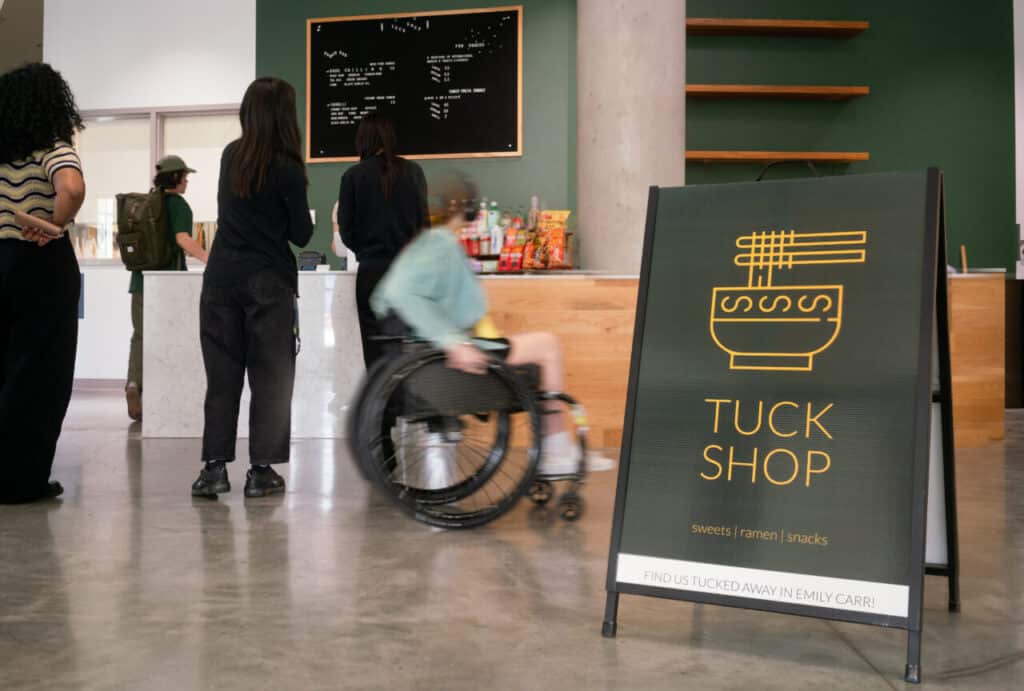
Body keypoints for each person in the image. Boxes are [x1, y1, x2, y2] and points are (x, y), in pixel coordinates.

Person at [371, 174, 613, 476]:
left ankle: (558, 447)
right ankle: (556, 449)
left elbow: (386, 298)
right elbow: (402, 295)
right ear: (470, 212)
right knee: (547, 345)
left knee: (538, 347)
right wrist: (452, 342)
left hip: (422, 350)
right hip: (442, 355)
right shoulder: (442, 245)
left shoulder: (424, 243)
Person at [190, 77, 314, 498]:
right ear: (285, 116)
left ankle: (213, 469)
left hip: (221, 277)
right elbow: (302, 234)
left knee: (222, 376)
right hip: (268, 281)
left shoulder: (231, 155)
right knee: (271, 377)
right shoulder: (289, 167)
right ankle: (261, 471)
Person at [0, 63, 86, 503]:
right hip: (39, 264)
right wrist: (53, 224)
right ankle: (21, 480)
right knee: (40, 375)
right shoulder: (52, 146)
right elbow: (70, 186)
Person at [337, 112, 428, 368]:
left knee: (375, 354)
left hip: (372, 274)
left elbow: (347, 231)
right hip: (409, 275)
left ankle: (380, 407)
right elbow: (424, 228)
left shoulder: (353, 176)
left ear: (362, 139)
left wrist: (368, 251)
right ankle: (405, 407)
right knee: (407, 353)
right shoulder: (414, 172)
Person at [125, 155, 209, 421]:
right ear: (175, 178)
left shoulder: (147, 204)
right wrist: (211, 260)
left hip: (140, 281)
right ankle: (168, 395)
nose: (187, 181)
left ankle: (134, 383)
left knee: (140, 335)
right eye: (184, 176)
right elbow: (183, 239)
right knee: (172, 338)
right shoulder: (179, 206)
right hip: (168, 284)